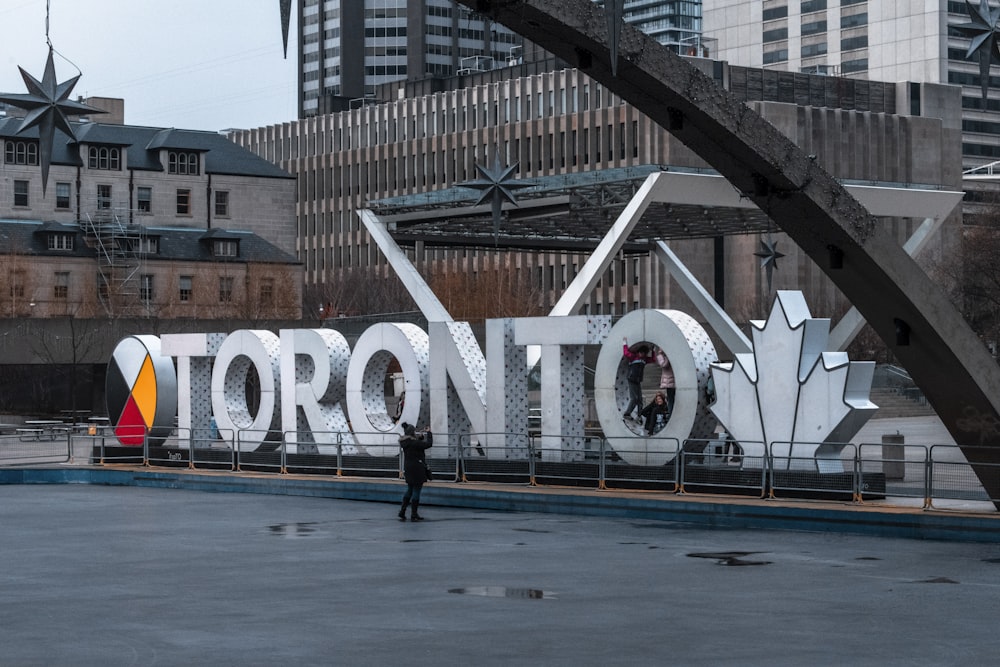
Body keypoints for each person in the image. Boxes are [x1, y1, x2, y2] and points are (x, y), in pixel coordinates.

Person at [398, 422, 432, 522]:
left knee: (410, 489)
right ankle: (414, 514)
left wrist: (419, 438)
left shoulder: (405, 443)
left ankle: (402, 511)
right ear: (412, 433)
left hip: (408, 468)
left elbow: (415, 444)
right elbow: (428, 444)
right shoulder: (415, 443)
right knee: (416, 490)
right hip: (417, 468)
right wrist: (429, 433)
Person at [622, 337, 655, 422]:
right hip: (632, 379)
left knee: (640, 399)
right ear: (638, 352)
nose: (642, 355)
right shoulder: (633, 357)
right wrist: (624, 343)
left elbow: (653, 359)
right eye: (641, 353)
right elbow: (626, 353)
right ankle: (627, 414)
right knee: (634, 398)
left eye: (644, 353)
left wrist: (653, 350)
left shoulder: (644, 359)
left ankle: (639, 416)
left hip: (638, 380)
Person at [654, 346, 675, 415]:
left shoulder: (668, 356)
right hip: (669, 381)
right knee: (671, 399)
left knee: (673, 398)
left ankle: (671, 413)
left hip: (672, 380)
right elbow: (663, 364)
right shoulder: (662, 357)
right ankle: (670, 414)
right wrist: (662, 355)